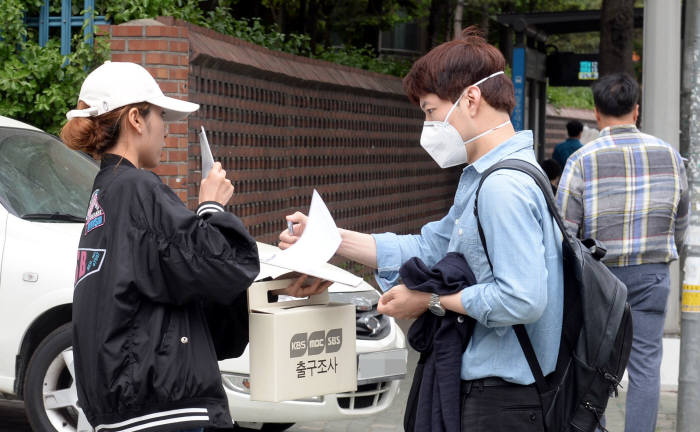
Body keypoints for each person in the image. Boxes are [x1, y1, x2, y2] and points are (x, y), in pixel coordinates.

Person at [279, 28, 563, 432]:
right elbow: (430, 245)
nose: (427, 126)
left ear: (470, 99)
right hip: (502, 393)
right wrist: (328, 237)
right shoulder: (493, 177)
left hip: (504, 401)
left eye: (430, 112)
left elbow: (522, 298)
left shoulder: (502, 187)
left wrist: (430, 300)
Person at [62, 61, 329, 432]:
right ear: (136, 119)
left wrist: (277, 290)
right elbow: (224, 265)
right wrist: (211, 207)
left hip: (131, 406)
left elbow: (182, 286)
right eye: (160, 115)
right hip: (160, 407)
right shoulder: (137, 188)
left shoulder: (107, 194)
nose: (166, 130)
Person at [556, 72, 689, 432]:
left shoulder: (582, 161)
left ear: (596, 114)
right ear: (636, 110)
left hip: (601, 277)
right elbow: (682, 222)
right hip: (652, 274)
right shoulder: (671, 157)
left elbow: (565, 231)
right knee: (646, 365)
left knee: (595, 364)